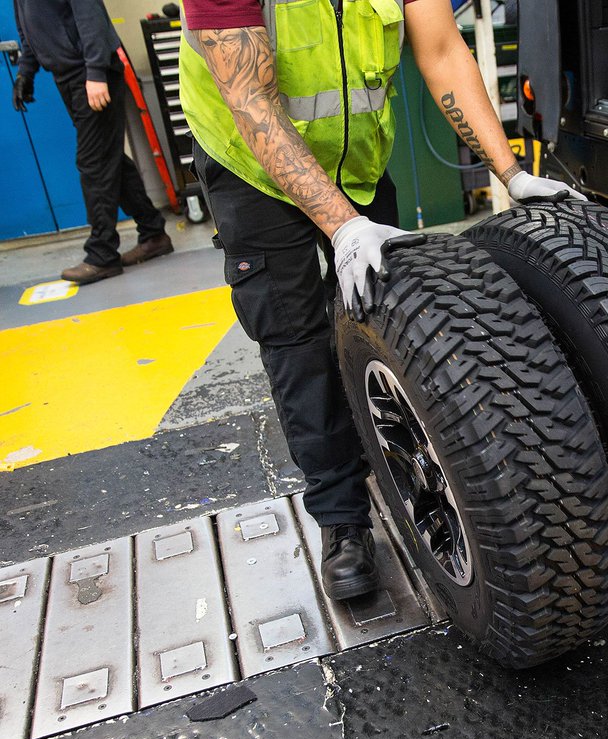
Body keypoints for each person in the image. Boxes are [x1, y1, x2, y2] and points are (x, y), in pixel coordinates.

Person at [178, 0, 583, 599]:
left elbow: (442, 50)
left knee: (384, 317)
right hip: (251, 161)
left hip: (356, 159)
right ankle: (342, 520)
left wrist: (511, 172)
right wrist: (342, 227)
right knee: (297, 340)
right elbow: (251, 102)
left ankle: (393, 462)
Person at [12, 0, 174, 284]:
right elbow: (28, 27)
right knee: (107, 156)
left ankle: (102, 254)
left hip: (91, 74)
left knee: (93, 162)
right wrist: (26, 71)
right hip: (67, 75)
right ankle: (154, 233)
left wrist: (96, 72)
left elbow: (91, 17)